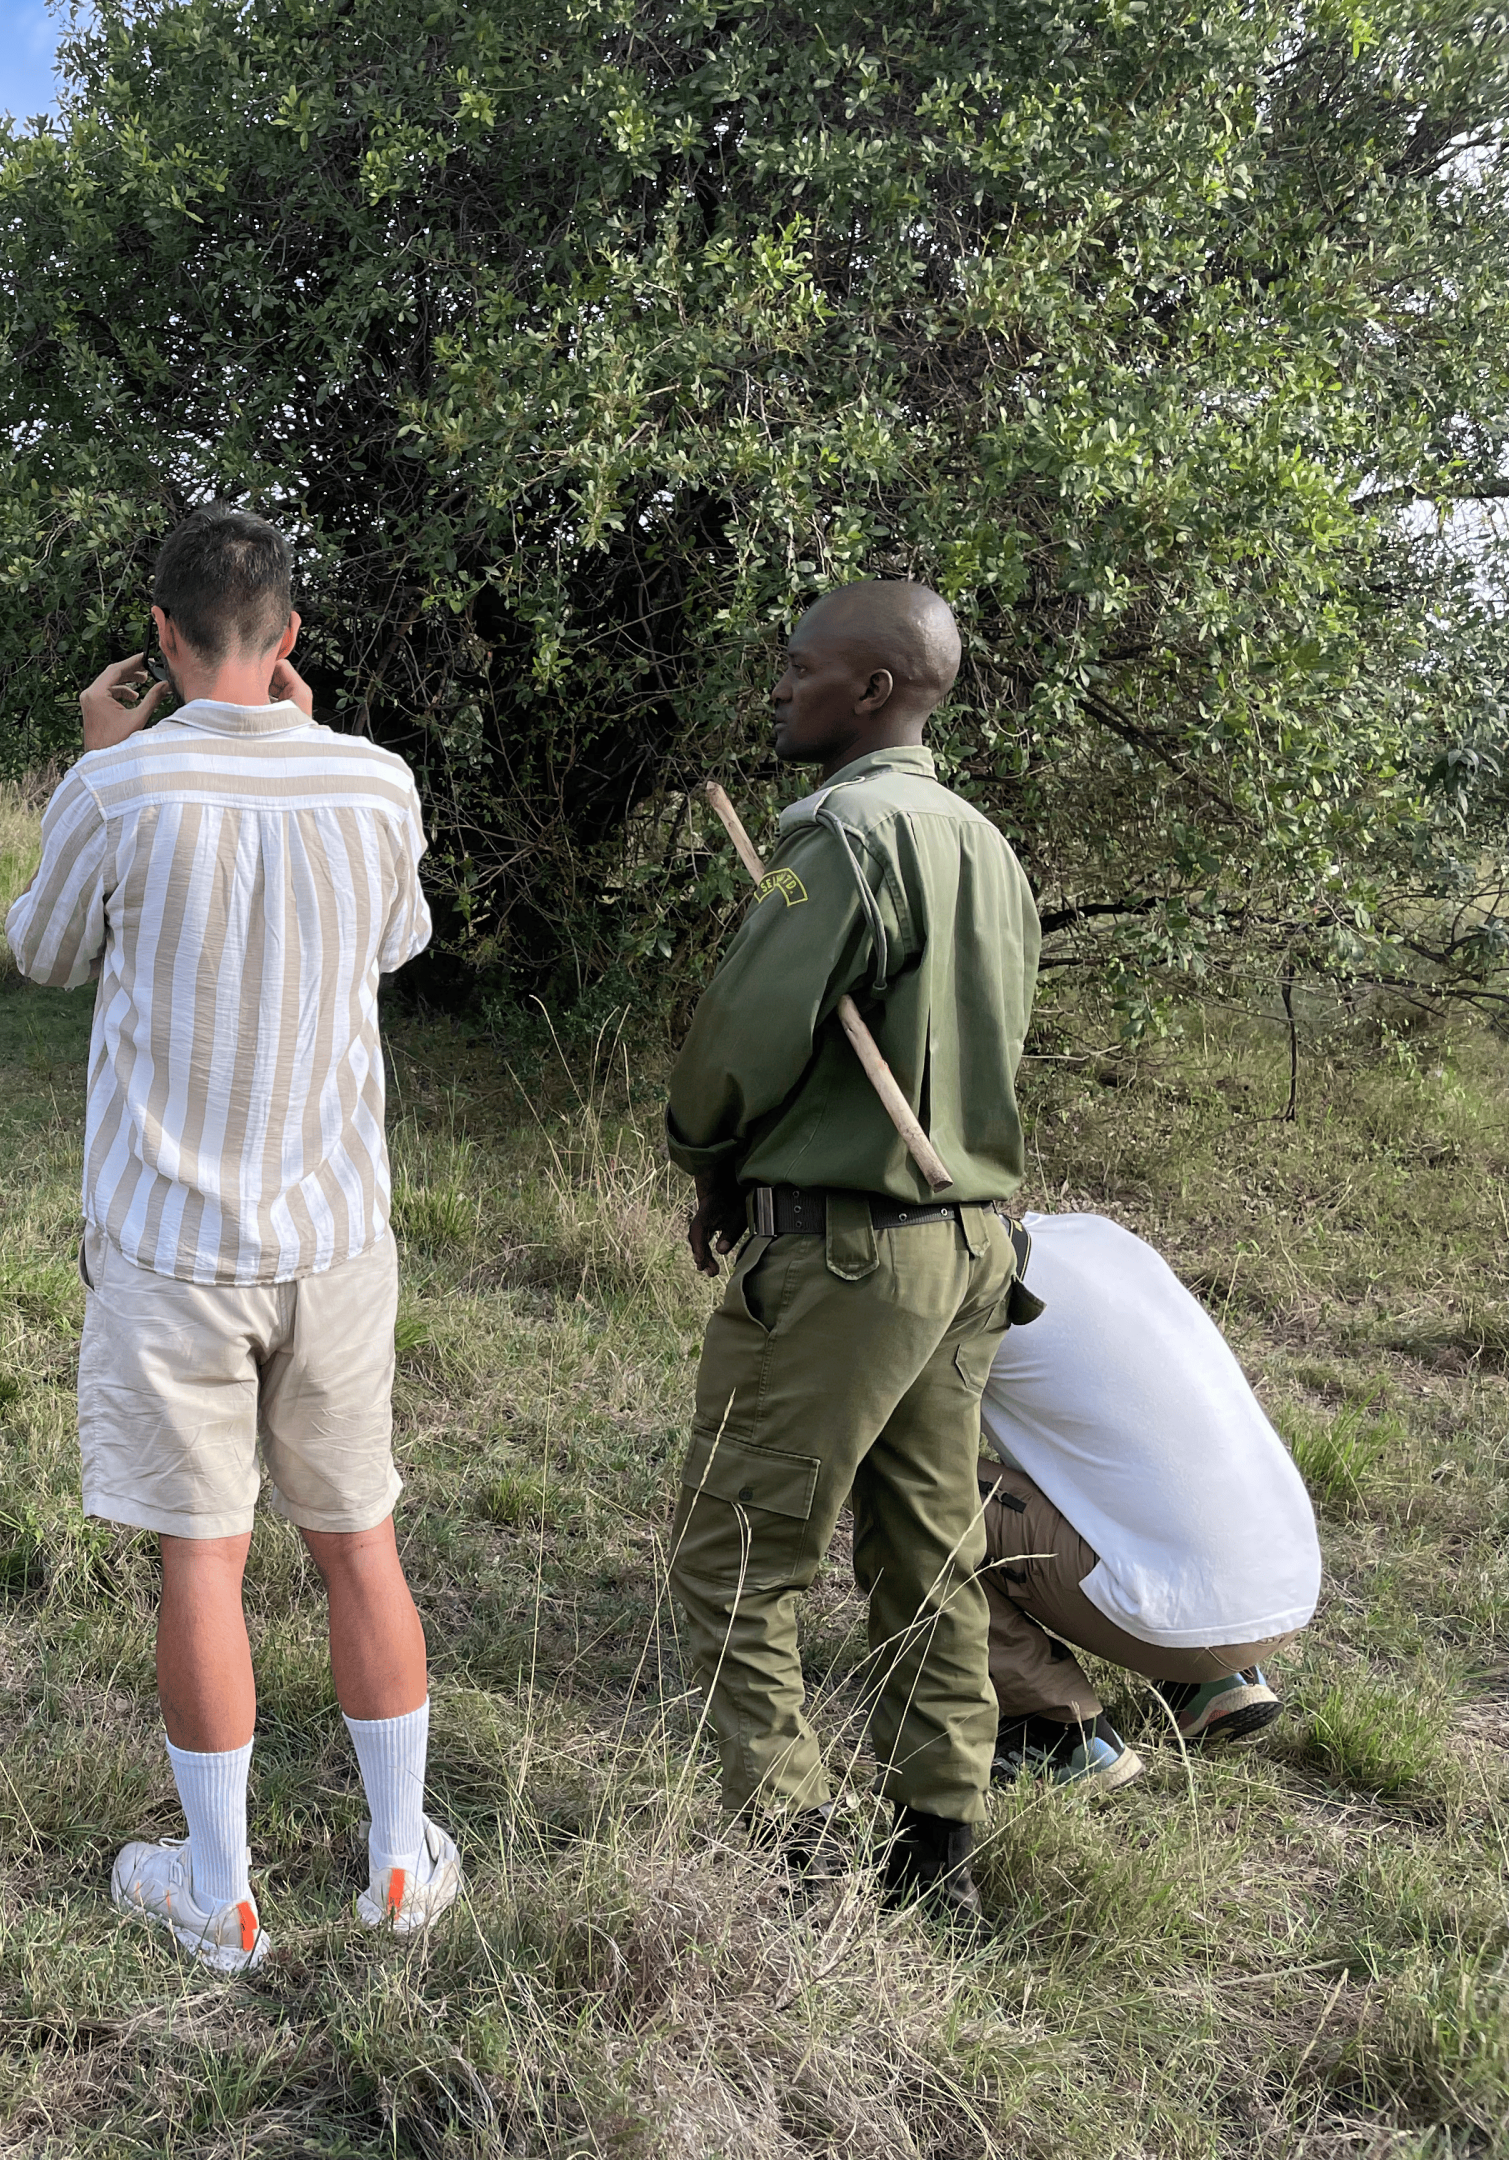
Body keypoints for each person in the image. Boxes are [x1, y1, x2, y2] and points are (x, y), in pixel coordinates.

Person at [5, 506, 445, 1973]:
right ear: (292, 639)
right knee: (359, 1543)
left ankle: (221, 1890)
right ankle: (395, 1865)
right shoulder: (377, 785)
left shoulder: (119, 788)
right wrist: (308, 753)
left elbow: (44, 952)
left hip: (169, 1249)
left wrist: (94, 758)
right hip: (332, 1236)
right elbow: (395, 944)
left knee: (203, 1560)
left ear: (161, 634)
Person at [662, 579, 1042, 1920]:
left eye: (801, 665)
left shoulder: (831, 837)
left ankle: (796, 1845)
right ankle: (939, 1838)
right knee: (925, 1550)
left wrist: (706, 1152)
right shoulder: (986, 846)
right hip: (969, 1246)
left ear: (875, 689)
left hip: (848, 1260)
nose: (780, 684)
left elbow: (744, 1041)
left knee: (733, 1552)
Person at [975, 1210, 1321, 1790]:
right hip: (1287, 1591)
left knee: (901, 1485)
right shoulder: (1094, 1234)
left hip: (1179, 1627)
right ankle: (1213, 1684)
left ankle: (1053, 1729)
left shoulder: (966, 1279)